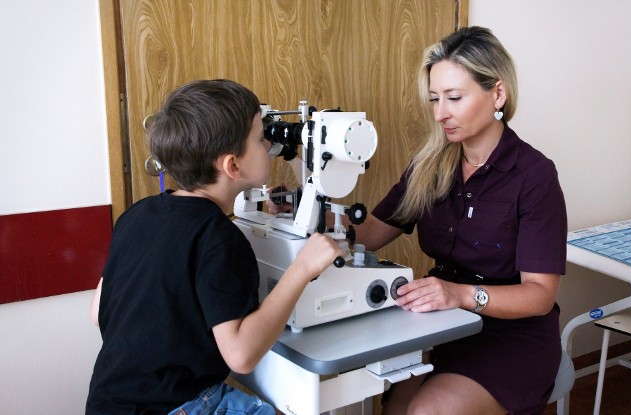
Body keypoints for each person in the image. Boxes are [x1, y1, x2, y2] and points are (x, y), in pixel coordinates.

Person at [85, 79, 343, 414]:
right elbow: (241, 356)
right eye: (259, 137)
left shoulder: (137, 215)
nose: (268, 143)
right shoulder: (219, 238)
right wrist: (302, 269)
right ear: (232, 165)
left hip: (108, 402)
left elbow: (97, 313)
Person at [353, 26, 567, 415]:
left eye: (454, 98)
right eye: (435, 99)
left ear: (497, 93)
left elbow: (540, 295)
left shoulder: (533, 176)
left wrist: (460, 294)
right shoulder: (429, 167)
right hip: (441, 322)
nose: (440, 114)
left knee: (425, 412)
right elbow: (369, 233)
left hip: (512, 337)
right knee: (390, 407)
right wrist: (314, 216)